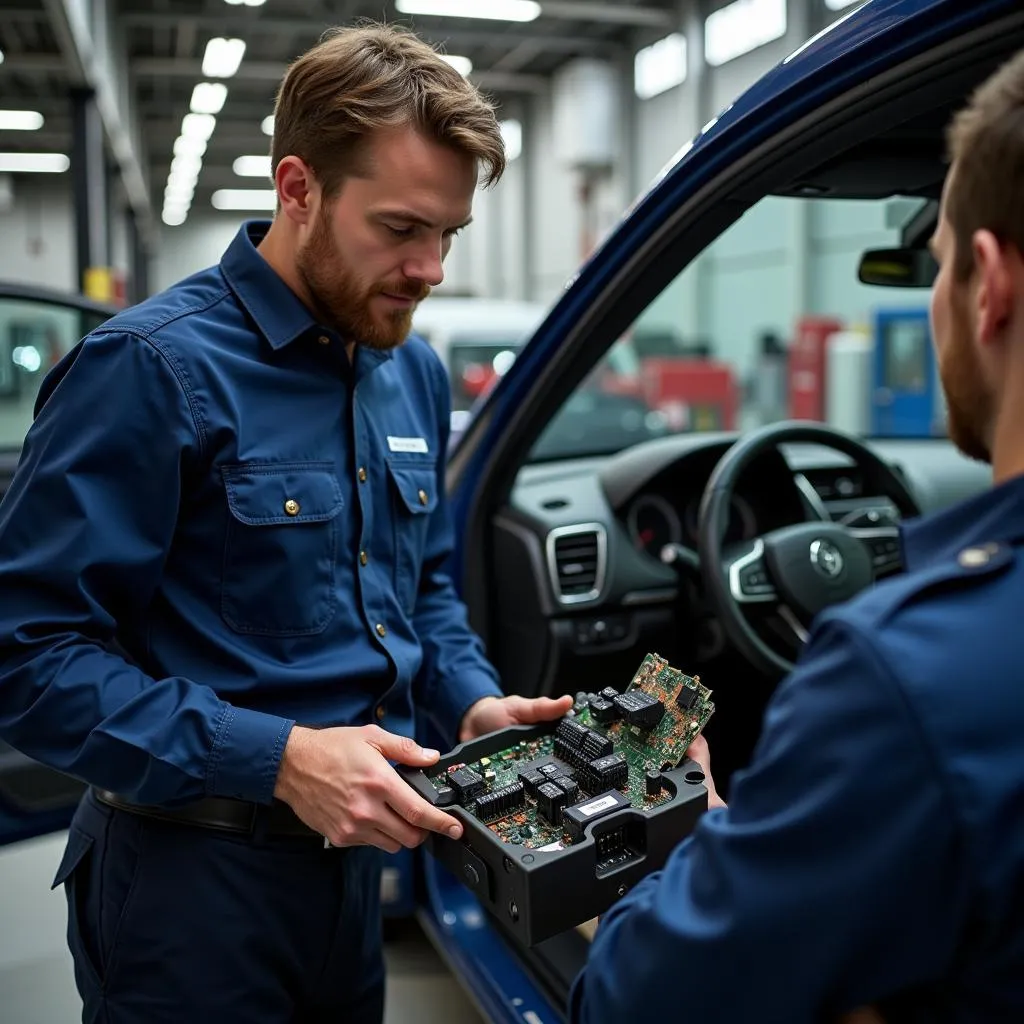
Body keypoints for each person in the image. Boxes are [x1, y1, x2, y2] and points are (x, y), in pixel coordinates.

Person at [0, 23, 573, 1024]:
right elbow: (26, 658)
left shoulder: (410, 371)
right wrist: (274, 757)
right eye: (400, 228)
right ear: (299, 188)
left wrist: (472, 706)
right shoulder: (152, 370)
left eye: (448, 234)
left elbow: (417, 595)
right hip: (189, 885)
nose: (431, 267)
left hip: (350, 875)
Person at [571, 49, 1024, 1023]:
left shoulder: (898, 678)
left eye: (937, 264)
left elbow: (640, 1001)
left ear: (987, 284)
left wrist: (706, 828)